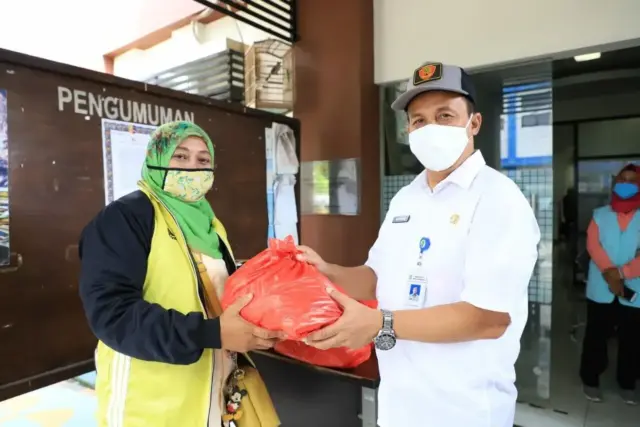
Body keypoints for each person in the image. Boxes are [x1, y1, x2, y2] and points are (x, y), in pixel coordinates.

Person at [297, 62, 540, 427]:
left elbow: (489, 318)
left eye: (445, 115)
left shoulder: (499, 199)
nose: (430, 129)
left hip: (465, 411)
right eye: (419, 120)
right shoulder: (407, 198)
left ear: (473, 123)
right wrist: (326, 272)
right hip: (399, 406)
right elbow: (377, 275)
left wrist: (381, 323)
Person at [78, 121, 282, 427]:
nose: (192, 168)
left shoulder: (209, 224)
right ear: (156, 158)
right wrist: (211, 333)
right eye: (180, 156)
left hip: (211, 393)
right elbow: (112, 315)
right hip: (148, 404)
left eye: (203, 160)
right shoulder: (126, 217)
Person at [580, 163, 640, 405]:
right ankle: (590, 379)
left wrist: (623, 273)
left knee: (632, 339)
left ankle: (627, 382)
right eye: (622, 180)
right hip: (600, 288)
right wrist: (610, 273)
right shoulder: (600, 215)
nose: (626, 184)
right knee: (596, 337)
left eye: (632, 180)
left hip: (634, 288)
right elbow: (593, 246)